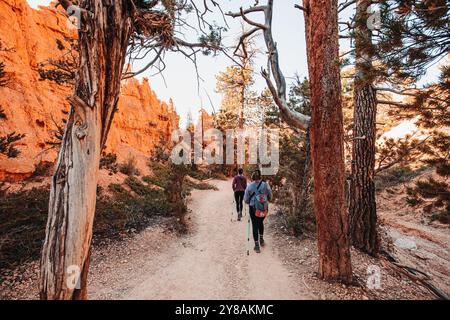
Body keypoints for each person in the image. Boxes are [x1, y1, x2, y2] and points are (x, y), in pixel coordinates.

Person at [244, 169, 272, 253]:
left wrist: (250, 202)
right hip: (264, 208)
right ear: (260, 176)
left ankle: (257, 246)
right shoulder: (266, 185)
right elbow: (270, 196)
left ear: (252, 177)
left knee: (255, 225)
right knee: (260, 223)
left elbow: (246, 200)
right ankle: (261, 240)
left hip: (253, 208)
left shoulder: (249, 186)